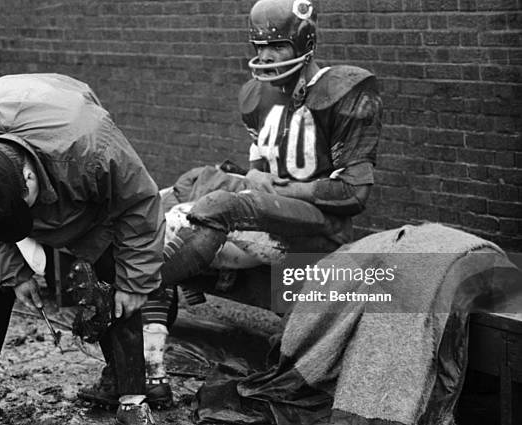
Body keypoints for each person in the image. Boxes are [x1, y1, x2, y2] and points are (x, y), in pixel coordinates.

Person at [139, 0, 383, 399]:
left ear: (305, 41)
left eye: (278, 46)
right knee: (162, 220)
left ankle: (130, 287)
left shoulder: (345, 90)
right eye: (258, 46)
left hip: (316, 225)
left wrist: (277, 188)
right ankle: (151, 374)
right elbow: (258, 169)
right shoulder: (256, 95)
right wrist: (253, 176)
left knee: (218, 205)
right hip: (263, 221)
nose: (265, 55)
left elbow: (354, 192)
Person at [0, 74, 165, 416]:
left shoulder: (91, 147)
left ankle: (132, 400)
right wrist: (14, 273)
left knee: (116, 285)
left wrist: (135, 283)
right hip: (5, 170)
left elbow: (139, 204)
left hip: (72, 182)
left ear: (28, 179)